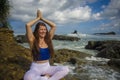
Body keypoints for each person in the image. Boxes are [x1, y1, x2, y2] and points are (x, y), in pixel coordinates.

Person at [24, 10, 69, 80]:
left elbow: (54, 26)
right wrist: (38, 18)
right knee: (27, 77)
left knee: (65, 69)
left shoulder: (48, 39)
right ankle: (44, 78)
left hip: (47, 67)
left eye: (45, 29)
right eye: (41, 29)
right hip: (36, 67)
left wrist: (42, 18)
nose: (43, 31)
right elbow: (28, 25)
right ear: (37, 31)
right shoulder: (32, 40)